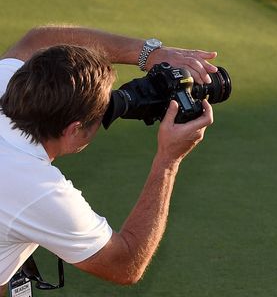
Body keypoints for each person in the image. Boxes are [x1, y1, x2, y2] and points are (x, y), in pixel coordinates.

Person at [0, 25, 218, 292]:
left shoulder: (6, 81)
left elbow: (38, 39)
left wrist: (150, 55)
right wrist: (168, 162)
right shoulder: (37, 191)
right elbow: (125, 264)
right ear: (73, 130)